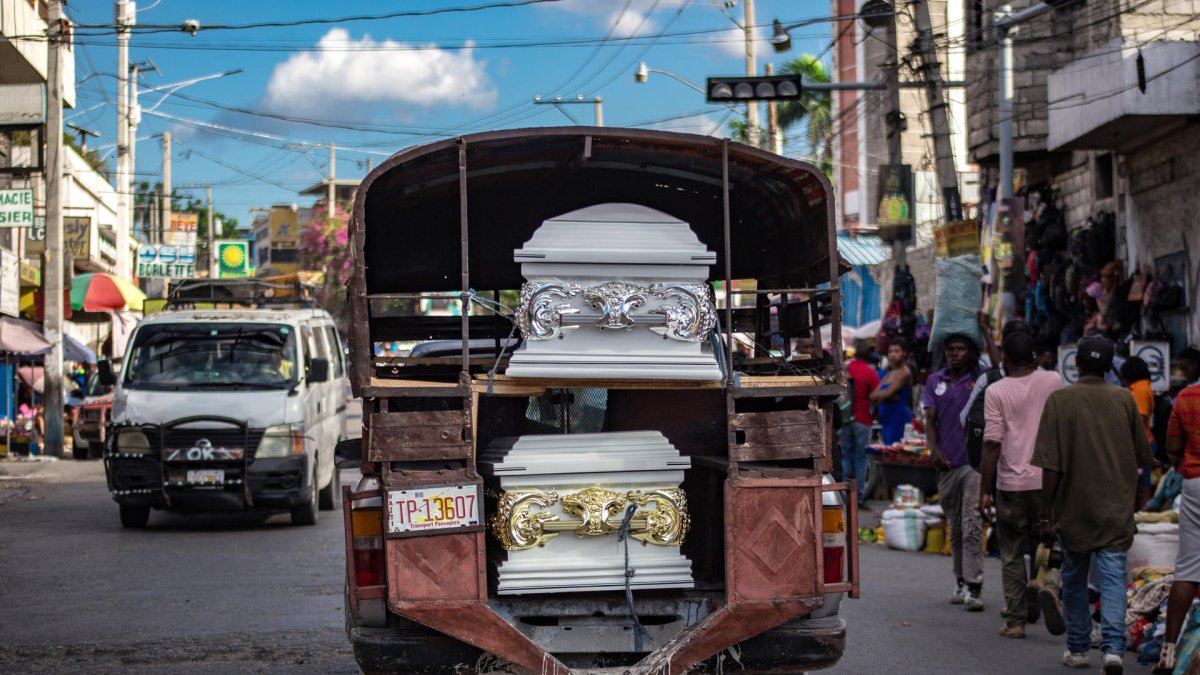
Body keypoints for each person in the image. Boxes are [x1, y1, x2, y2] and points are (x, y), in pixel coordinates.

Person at [1033, 334, 1152, 674]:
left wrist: (1045, 515)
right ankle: (1113, 650)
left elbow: (1050, 465)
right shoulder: (1125, 400)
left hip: (1075, 509)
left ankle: (1078, 647)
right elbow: (1144, 457)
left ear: (1077, 364)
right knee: (1113, 577)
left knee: (1073, 576)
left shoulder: (1060, 401)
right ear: (1109, 367)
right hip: (1115, 508)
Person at [979, 331, 1063, 639]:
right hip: (1049, 481)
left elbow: (991, 444)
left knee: (1012, 552)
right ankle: (1048, 586)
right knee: (1050, 541)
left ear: (1006, 360)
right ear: (1034, 357)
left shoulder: (997, 391)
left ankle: (1015, 622)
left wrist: (984, 490)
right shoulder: (1053, 381)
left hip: (1011, 485)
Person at [923, 333, 985, 611]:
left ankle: (975, 584)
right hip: (946, 464)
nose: (955, 354)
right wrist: (933, 450)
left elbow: (1000, 372)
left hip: (974, 466)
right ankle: (960, 580)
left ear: (971, 352)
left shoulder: (982, 379)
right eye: (950, 350)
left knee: (972, 524)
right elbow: (929, 421)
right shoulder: (935, 381)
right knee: (955, 526)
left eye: (960, 349)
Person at [1155, 379, 1200, 673]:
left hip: (1195, 484)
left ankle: (1168, 653)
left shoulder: (1187, 395)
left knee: (1187, 569)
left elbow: (1172, 447)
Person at [843, 339, 879, 504]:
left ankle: (841, 494)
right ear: (869, 356)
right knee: (861, 458)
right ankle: (859, 497)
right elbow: (876, 397)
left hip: (846, 417)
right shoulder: (871, 373)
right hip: (863, 419)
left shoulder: (846, 367)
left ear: (855, 353)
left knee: (846, 456)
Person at [1121, 356, 1157, 509]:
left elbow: (1140, 420)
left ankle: (1144, 516)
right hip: (1143, 442)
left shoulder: (1141, 389)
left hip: (1143, 444)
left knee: (1143, 486)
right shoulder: (1141, 388)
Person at [870, 337, 914, 445]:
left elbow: (885, 393)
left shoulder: (905, 372)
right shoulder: (889, 372)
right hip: (886, 419)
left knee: (896, 452)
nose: (893, 354)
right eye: (890, 351)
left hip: (898, 418)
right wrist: (880, 396)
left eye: (897, 351)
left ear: (904, 353)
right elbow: (873, 394)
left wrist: (881, 396)